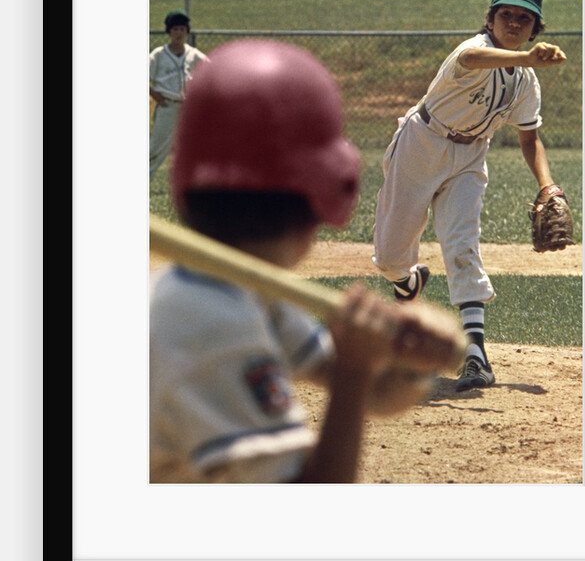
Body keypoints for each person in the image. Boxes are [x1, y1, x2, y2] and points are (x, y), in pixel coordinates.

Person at [149, 38, 462, 484]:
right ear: (323, 192)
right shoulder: (214, 326)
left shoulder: (225, 292)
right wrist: (353, 370)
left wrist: (411, 365)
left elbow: (377, 393)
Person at [371, 0, 568, 392]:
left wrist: (548, 186)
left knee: (462, 244)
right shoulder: (472, 50)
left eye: (524, 18)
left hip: (471, 155)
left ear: (536, 28)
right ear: (490, 19)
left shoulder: (525, 82)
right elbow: (473, 59)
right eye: (505, 14)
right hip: (422, 143)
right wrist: (528, 57)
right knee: (389, 256)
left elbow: (529, 139)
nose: (513, 23)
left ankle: (475, 355)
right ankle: (407, 281)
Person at [149, 10, 209, 179]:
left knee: (197, 147)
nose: (179, 33)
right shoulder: (159, 54)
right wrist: (154, 95)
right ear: (169, 31)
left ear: (187, 31)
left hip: (189, 108)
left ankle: (196, 184)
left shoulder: (193, 54)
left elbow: (212, 70)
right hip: (167, 106)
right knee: (155, 149)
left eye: (182, 29)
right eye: (175, 29)